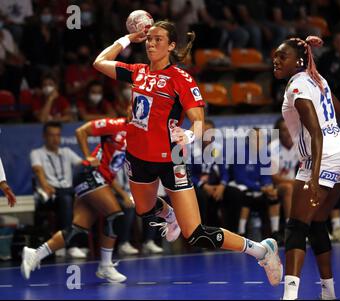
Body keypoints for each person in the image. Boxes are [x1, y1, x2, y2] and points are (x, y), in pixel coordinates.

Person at [92, 20, 282, 286]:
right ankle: (169, 216)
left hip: (172, 159)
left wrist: (190, 135)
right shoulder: (137, 72)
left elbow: (198, 118)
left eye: (158, 39)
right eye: (149, 39)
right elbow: (99, 62)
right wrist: (127, 39)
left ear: (171, 46)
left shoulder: (180, 78)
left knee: (196, 234)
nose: (151, 43)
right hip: (137, 156)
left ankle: (262, 250)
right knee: (144, 209)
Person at [272, 36, 340, 300]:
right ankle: (328, 293)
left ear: (298, 61)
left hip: (324, 155)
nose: (275, 60)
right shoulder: (318, 79)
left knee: (296, 226)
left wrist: (315, 176)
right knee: (317, 223)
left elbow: (316, 134)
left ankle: (290, 296)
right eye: (274, 55)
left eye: (281, 56)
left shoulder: (296, 86)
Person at [22, 117, 139, 283]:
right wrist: (87, 156)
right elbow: (81, 131)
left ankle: (34, 254)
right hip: (89, 174)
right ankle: (105, 266)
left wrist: (123, 193)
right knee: (114, 215)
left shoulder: (140, 137)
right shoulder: (115, 125)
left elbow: (110, 171)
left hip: (101, 179)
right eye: (133, 105)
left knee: (77, 229)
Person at [30, 121, 86, 258]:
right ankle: (70, 245)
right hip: (50, 195)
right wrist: (45, 185)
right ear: (44, 136)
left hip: (68, 192)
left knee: (86, 199)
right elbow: (38, 170)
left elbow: (83, 165)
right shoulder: (37, 153)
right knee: (66, 199)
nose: (55, 139)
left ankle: (84, 244)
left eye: (58, 135)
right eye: (51, 135)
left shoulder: (66, 152)